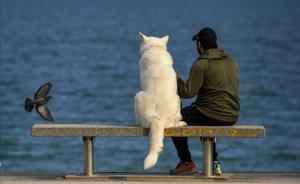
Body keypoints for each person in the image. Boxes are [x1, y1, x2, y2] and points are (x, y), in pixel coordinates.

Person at [169, 28, 240, 175]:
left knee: (173, 119)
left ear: (199, 44)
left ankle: (186, 162)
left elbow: (187, 92)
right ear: (216, 43)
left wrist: (176, 79)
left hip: (211, 114)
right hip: (231, 115)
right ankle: (214, 163)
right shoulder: (231, 61)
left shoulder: (201, 64)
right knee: (200, 112)